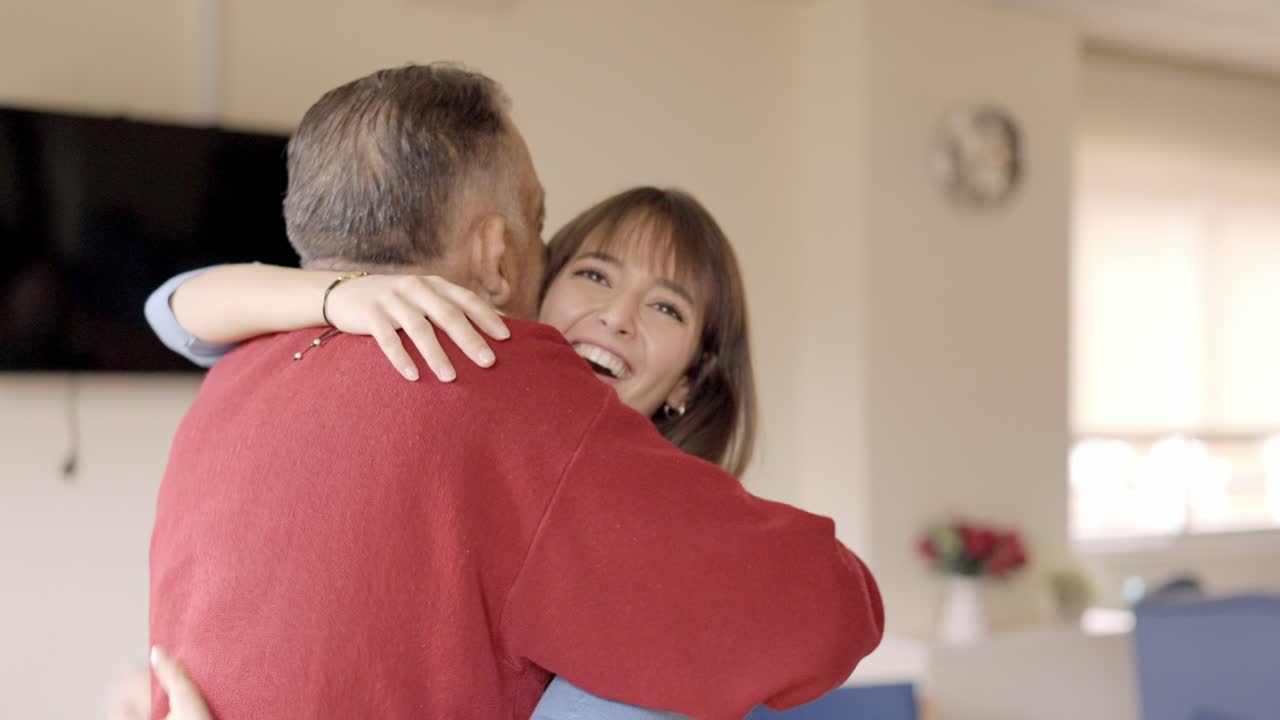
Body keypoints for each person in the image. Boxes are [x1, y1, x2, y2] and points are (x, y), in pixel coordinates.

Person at [150, 63, 883, 720]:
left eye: (667, 306)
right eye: (589, 271)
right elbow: (833, 609)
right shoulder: (505, 386)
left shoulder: (233, 376)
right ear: (500, 257)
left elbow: (174, 305)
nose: (615, 319)